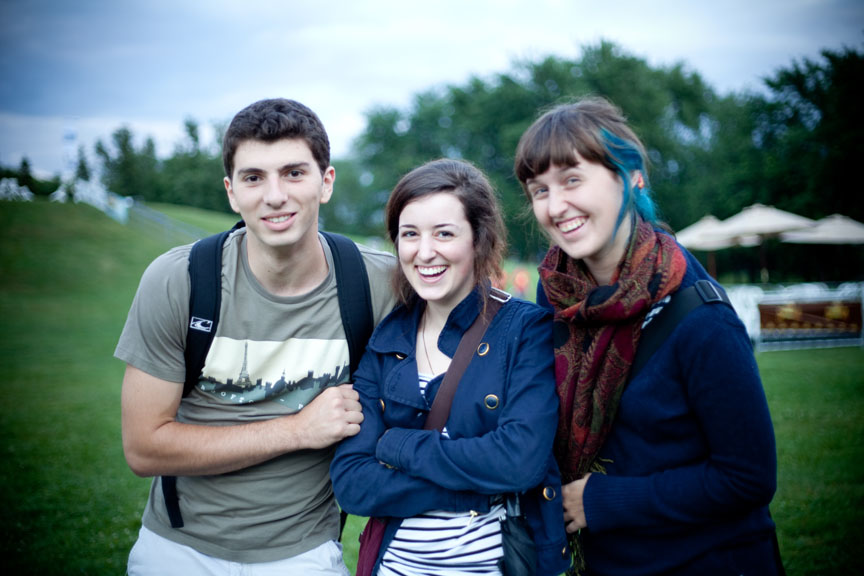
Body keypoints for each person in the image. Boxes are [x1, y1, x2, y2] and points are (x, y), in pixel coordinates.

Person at [115, 98, 397, 575]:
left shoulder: (377, 284)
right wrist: (298, 430)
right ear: (231, 192)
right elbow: (143, 447)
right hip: (178, 548)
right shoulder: (180, 279)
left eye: (294, 173)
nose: (275, 195)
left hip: (305, 552)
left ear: (326, 182)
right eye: (253, 178)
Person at [513, 97, 780, 575]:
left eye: (573, 180)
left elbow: (748, 478)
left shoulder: (700, 317)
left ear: (632, 175)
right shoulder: (554, 297)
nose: (555, 206)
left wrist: (604, 500)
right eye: (539, 190)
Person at [330, 159, 570, 576]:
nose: (425, 252)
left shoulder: (524, 330)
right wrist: (473, 491)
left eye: (444, 233)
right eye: (410, 234)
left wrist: (397, 446)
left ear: (478, 239)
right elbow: (353, 483)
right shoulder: (387, 338)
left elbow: (519, 461)